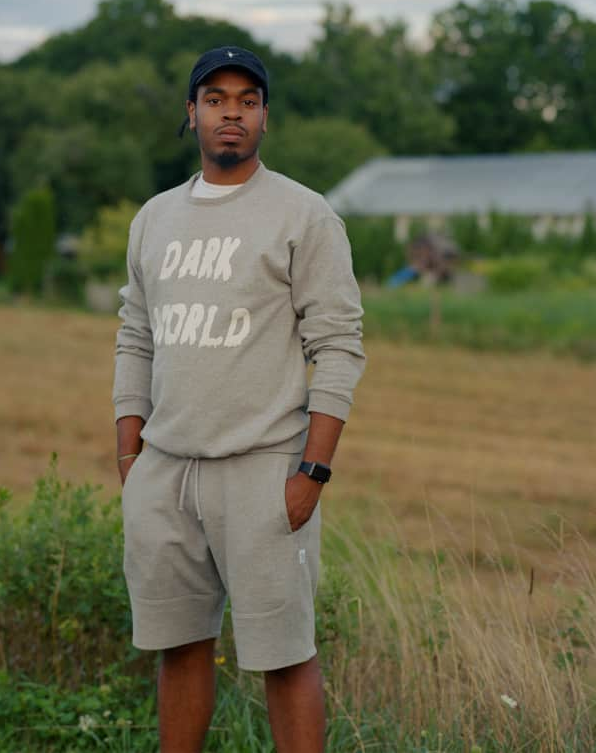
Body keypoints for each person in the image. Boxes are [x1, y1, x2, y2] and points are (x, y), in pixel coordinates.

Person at [113, 46, 365, 753]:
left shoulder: (303, 215)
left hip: (263, 468)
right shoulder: (154, 219)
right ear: (191, 113)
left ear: (264, 117)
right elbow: (136, 335)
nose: (232, 112)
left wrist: (311, 472)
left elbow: (339, 346)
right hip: (165, 471)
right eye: (217, 98)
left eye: (247, 101)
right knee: (180, 647)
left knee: (284, 656)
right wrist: (130, 455)